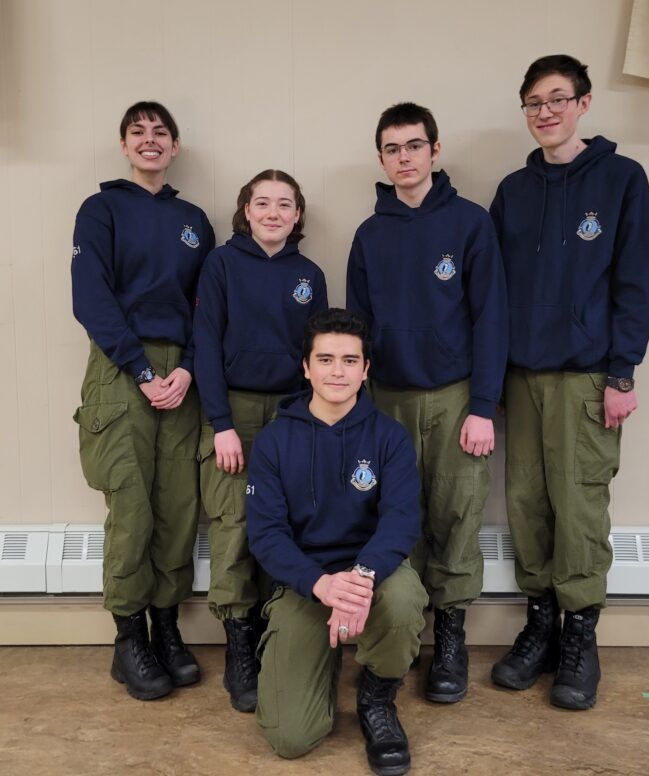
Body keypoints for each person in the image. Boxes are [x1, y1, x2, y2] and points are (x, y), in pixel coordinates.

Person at [489, 54, 649, 709]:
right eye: (533, 102)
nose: (546, 113)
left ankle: (581, 635)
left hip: (589, 378)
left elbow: (635, 282)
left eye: (558, 99)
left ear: (584, 103)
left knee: (580, 509)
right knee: (527, 503)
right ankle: (541, 628)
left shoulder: (621, 180)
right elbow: (496, 294)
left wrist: (623, 371)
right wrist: (494, 378)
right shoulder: (513, 191)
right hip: (522, 378)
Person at [346, 102, 507, 703]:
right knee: (392, 518)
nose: (404, 158)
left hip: (455, 395)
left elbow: (492, 318)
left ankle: (452, 638)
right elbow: (357, 331)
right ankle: (399, 636)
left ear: (435, 152)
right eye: (392, 149)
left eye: (414, 146)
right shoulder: (369, 234)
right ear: (382, 159)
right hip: (386, 399)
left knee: (456, 513)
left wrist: (484, 405)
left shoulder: (470, 224)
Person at [71, 101, 215, 700]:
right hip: (120, 367)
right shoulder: (101, 209)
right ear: (125, 146)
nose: (151, 141)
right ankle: (128, 637)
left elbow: (210, 303)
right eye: (139, 133)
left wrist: (184, 368)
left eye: (161, 133)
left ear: (175, 147)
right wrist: (138, 366)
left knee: (178, 505)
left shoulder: (194, 219)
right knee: (132, 505)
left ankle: (166, 629)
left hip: (181, 374)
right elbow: (90, 294)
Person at [246, 308, 427, 776]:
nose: (337, 371)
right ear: (305, 367)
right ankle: (318, 663)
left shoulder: (390, 437)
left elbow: (401, 520)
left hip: (374, 578)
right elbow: (266, 534)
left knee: (406, 597)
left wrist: (361, 578)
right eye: (325, 359)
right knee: (290, 739)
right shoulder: (273, 441)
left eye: (350, 361)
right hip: (307, 583)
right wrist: (322, 586)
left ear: (366, 369)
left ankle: (377, 696)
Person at [193, 169, 327, 712]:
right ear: (246, 210)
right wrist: (221, 423)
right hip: (235, 412)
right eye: (262, 202)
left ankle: (279, 631)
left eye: (285, 204)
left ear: (298, 215)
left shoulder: (310, 274)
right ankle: (240, 642)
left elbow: (318, 353)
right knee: (235, 523)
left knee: (285, 522)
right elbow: (205, 345)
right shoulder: (221, 265)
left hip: (292, 412)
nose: (273, 212)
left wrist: (309, 420)